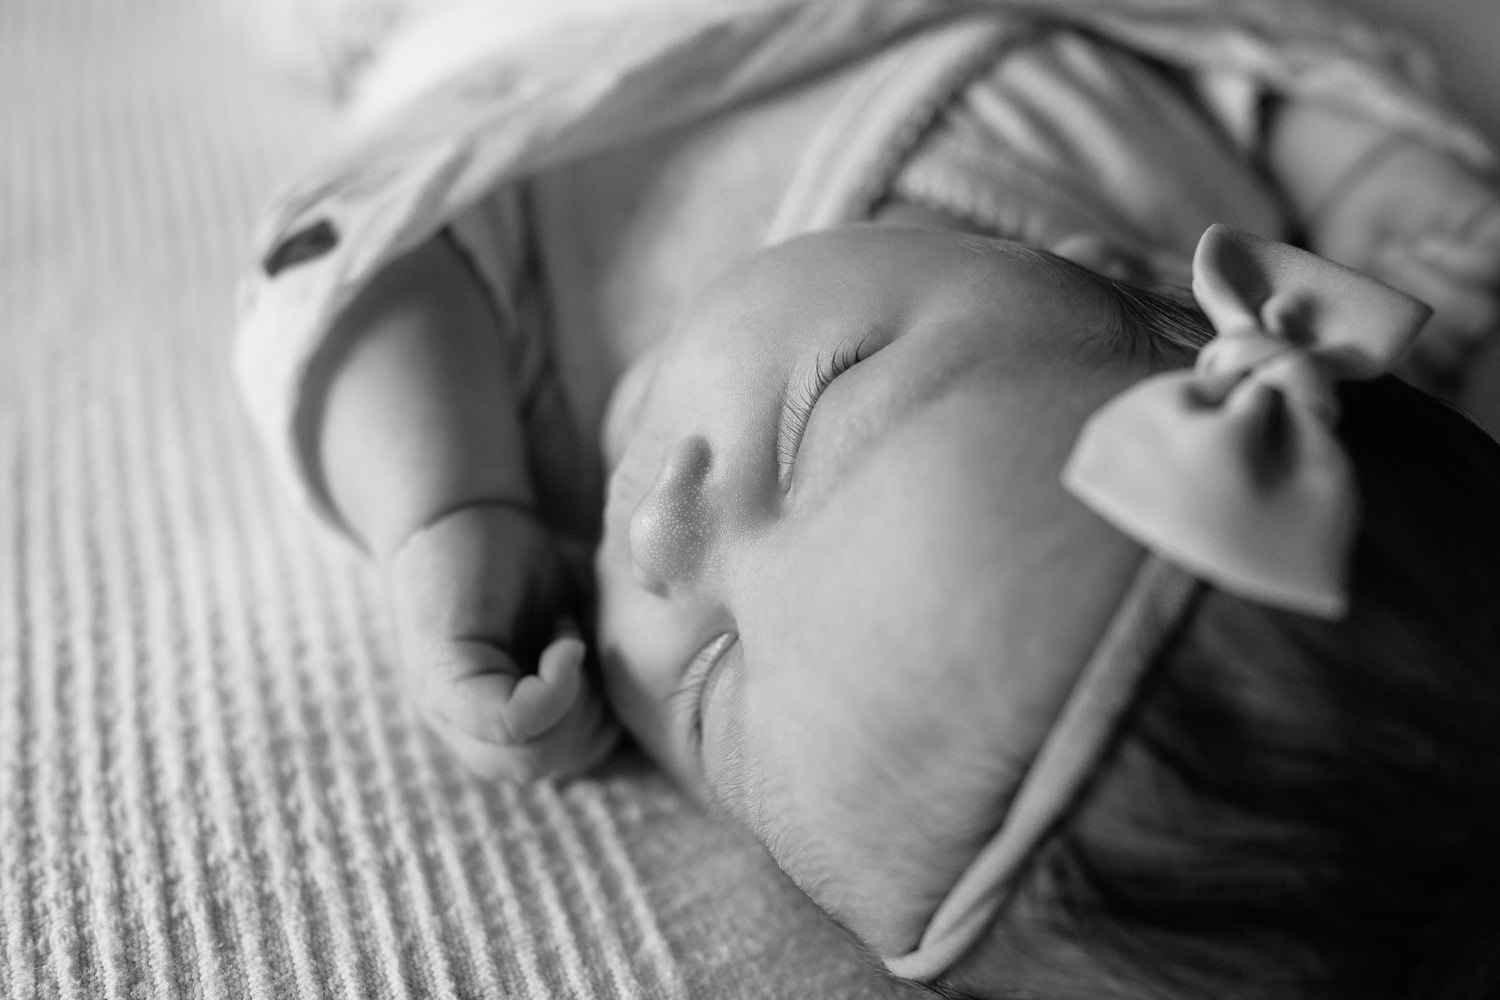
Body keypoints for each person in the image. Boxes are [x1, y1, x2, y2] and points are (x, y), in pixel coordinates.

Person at [236, 1, 1500, 995]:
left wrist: (445, 505)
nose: (657, 534)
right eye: (821, 407)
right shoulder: (1089, 145)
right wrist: (1373, 175)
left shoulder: (553, 438)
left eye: (714, 681)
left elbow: (379, 257)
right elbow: (1230, 61)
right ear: (1193, 314)